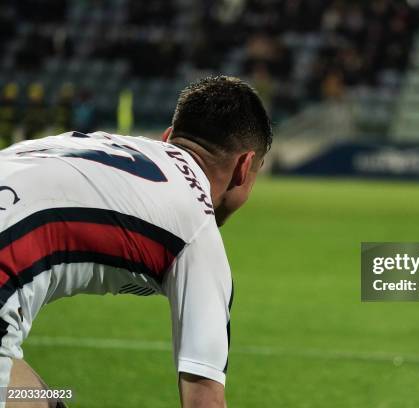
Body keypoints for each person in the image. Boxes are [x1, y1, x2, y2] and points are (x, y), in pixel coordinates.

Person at [0, 76, 272, 407]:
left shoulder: (103, 144)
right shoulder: (198, 230)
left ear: (168, 137)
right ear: (244, 166)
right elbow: (205, 400)